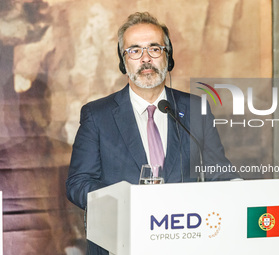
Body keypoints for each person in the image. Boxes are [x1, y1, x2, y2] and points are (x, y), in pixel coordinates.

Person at [66, 12, 239, 255]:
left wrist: (240, 191)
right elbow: (78, 183)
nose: (146, 58)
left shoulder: (195, 109)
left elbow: (217, 172)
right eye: (134, 50)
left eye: (154, 49)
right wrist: (123, 201)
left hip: (185, 242)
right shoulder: (97, 115)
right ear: (122, 62)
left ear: (168, 57)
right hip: (121, 244)